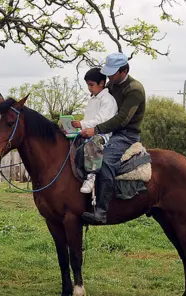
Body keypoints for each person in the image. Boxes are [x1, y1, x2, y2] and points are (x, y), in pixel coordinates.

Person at [79, 52, 147, 224]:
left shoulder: (135, 90)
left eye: (112, 72)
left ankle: (101, 211)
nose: (109, 76)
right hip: (109, 132)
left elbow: (122, 119)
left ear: (124, 71)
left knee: (106, 161)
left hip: (126, 135)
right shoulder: (112, 83)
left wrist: (96, 129)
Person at [70, 67, 118, 193]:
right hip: (89, 131)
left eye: (91, 85)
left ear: (102, 83)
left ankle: (91, 176)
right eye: (88, 85)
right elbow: (89, 119)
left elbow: (100, 120)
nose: (89, 88)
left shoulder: (108, 100)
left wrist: (81, 124)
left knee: (93, 142)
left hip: (103, 134)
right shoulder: (93, 99)